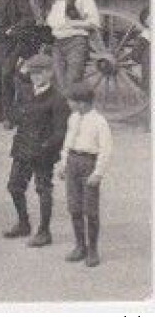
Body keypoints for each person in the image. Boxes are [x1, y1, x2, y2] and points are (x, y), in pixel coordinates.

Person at [4, 52, 70, 247]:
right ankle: (23, 223)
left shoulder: (58, 99)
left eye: (40, 73)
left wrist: (46, 148)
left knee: (43, 190)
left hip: (43, 153)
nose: (36, 77)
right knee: (15, 187)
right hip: (23, 148)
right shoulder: (25, 92)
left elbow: (60, 132)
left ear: (50, 73)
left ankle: (44, 231)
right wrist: (13, 114)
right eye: (33, 73)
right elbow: (15, 114)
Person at [61, 81, 111, 267]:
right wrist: (64, 162)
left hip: (89, 163)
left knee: (90, 209)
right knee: (74, 207)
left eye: (71, 101)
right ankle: (80, 246)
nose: (69, 104)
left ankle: (93, 250)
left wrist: (98, 173)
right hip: (73, 162)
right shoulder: (73, 118)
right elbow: (68, 141)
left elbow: (106, 150)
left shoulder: (99, 122)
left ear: (82, 102)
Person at [46, 0, 100, 89]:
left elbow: (94, 23)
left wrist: (70, 23)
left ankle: (73, 108)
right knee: (60, 82)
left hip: (76, 43)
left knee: (73, 82)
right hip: (58, 43)